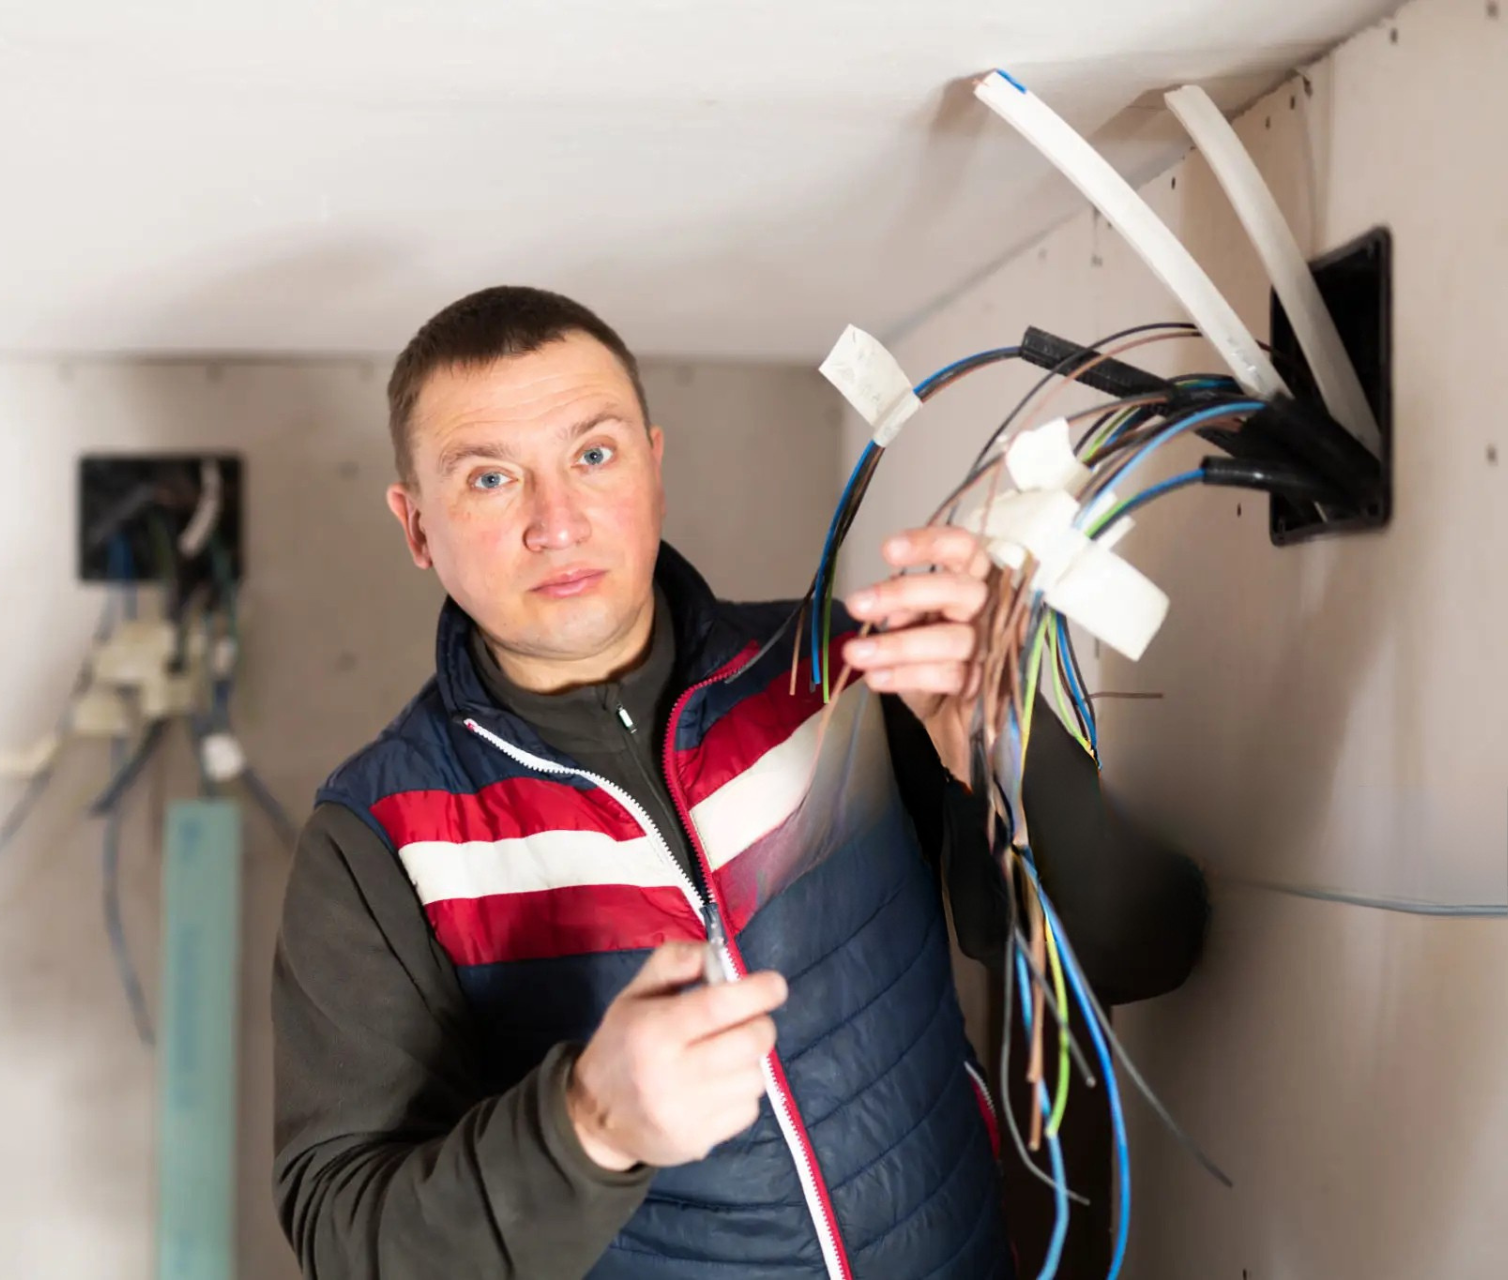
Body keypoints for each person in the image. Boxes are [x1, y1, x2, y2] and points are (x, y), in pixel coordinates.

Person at [271, 286, 1207, 1279]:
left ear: (654, 467)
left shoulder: (850, 673)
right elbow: (345, 1237)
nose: (559, 521)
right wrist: (586, 1127)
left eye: (594, 455)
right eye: (492, 479)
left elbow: (1144, 948)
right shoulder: (379, 835)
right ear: (416, 527)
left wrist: (1016, 743)